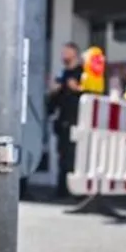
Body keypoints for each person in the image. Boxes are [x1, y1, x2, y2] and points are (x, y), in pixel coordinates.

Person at [47, 42, 83, 198]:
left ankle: (76, 190)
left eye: (66, 52)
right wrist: (53, 93)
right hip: (63, 122)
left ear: (74, 54)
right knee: (62, 156)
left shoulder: (83, 74)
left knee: (75, 157)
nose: (63, 55)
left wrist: (78, 89)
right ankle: (62, 190)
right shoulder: (62, 76)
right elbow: (52, 104)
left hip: (78, 121)